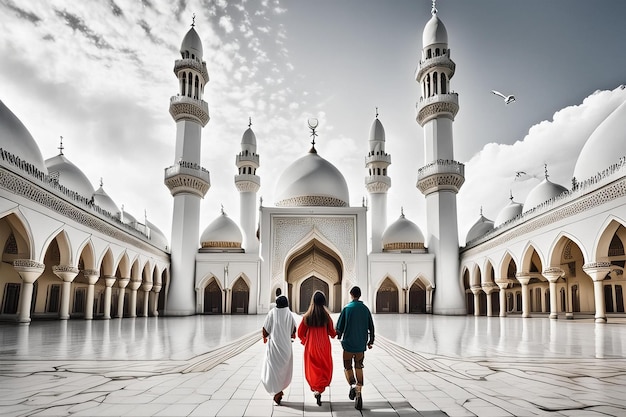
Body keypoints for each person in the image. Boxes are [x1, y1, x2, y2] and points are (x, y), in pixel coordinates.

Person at [336, 286, 375, 410]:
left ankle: (352, 383)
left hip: (348, 345)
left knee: (347, 366)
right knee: (359, 365)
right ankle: (359, 389)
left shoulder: (347, 308)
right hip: (360, 346)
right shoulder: (365, 309)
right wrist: (370, 341)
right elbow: (371, 327)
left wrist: (339, 335)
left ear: (351, 295)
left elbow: (339, 327)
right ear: (360, 295)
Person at [297, 291, 336, 406]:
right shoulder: (326, 316)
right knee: (324, 367)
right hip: (324, 346)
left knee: (313, 369)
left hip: (311, 347)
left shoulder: (307, 316)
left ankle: (316, 389)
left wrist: (306, 342)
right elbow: (332, 333)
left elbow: (300, 333)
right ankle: (320, 389)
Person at [260, 295, 296, 405]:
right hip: (286, 348)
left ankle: (277, 392)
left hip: (274, 348)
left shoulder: (272, 313)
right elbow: (293, 331)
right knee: (283, 370)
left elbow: (265, 329)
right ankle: (279, 391)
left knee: (273, 370)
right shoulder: (289, 314)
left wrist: (265, 337)